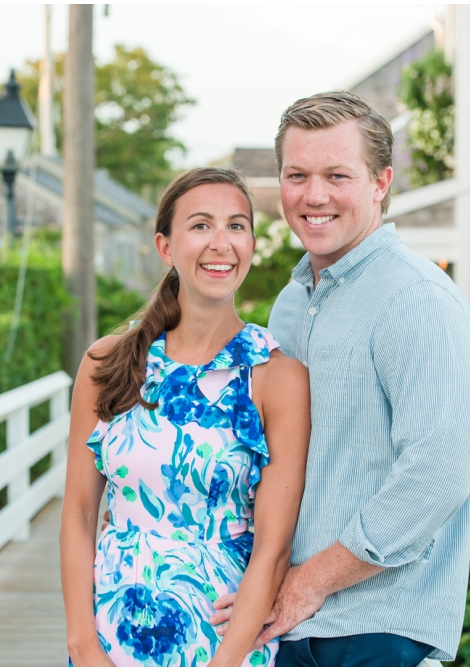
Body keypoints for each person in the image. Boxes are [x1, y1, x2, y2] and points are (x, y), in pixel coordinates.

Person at [210, 91, 470, 666]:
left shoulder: (418, 300)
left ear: (381, 182)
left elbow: (438, 473)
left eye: (337, 175)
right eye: (297, 175)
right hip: (284, 626)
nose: (314, 196)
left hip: (376, 632)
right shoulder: (289, 305)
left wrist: (311, 581)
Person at [60, 167, 311, 667]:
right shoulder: (106, 365)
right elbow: (79, 514)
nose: (222, 243)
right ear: (166, 247)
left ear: (252, 245)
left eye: (237, 226)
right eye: (201, 226)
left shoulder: (275, 375)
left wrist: (226, 662)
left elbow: (273, 548)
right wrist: (83, 645)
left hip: (224, 639)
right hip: (110, 636)